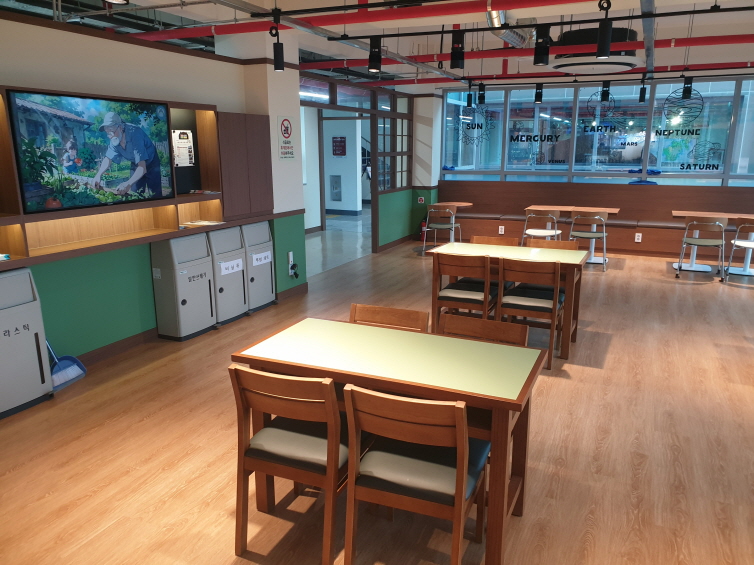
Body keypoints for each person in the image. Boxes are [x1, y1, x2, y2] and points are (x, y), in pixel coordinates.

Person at [93, 112, 163, 197]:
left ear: (120, 127)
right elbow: (108, 158)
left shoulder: (135, 134)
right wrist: (98, 175)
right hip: (135, 163)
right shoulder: (114, 139)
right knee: (135, 194)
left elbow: (142, 167)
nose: (110, 136)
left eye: (111, 131)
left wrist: (128, 183)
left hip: (151, 162)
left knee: (155, 194)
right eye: (108, 133)